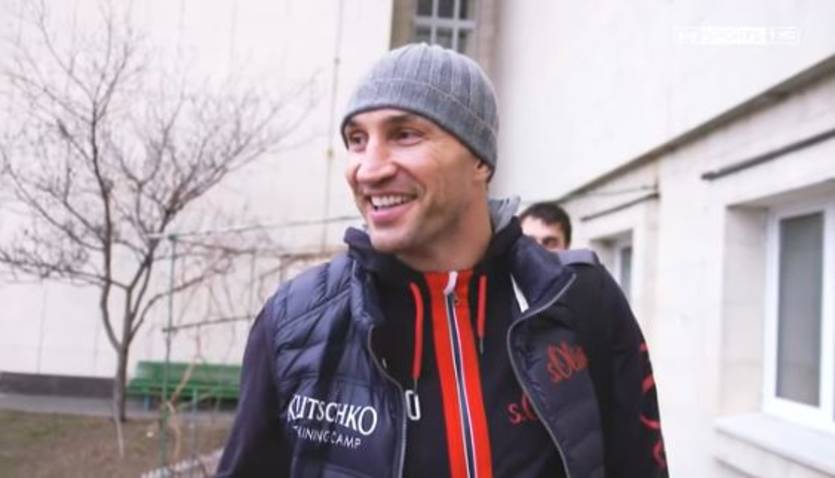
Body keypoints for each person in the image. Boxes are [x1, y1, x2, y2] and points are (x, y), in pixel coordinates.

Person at [217, 43, 667, 478]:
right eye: (357, 139)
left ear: (480, 161)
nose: (369, 169)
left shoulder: (576, 298)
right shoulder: (293, 323)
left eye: (405, 135)